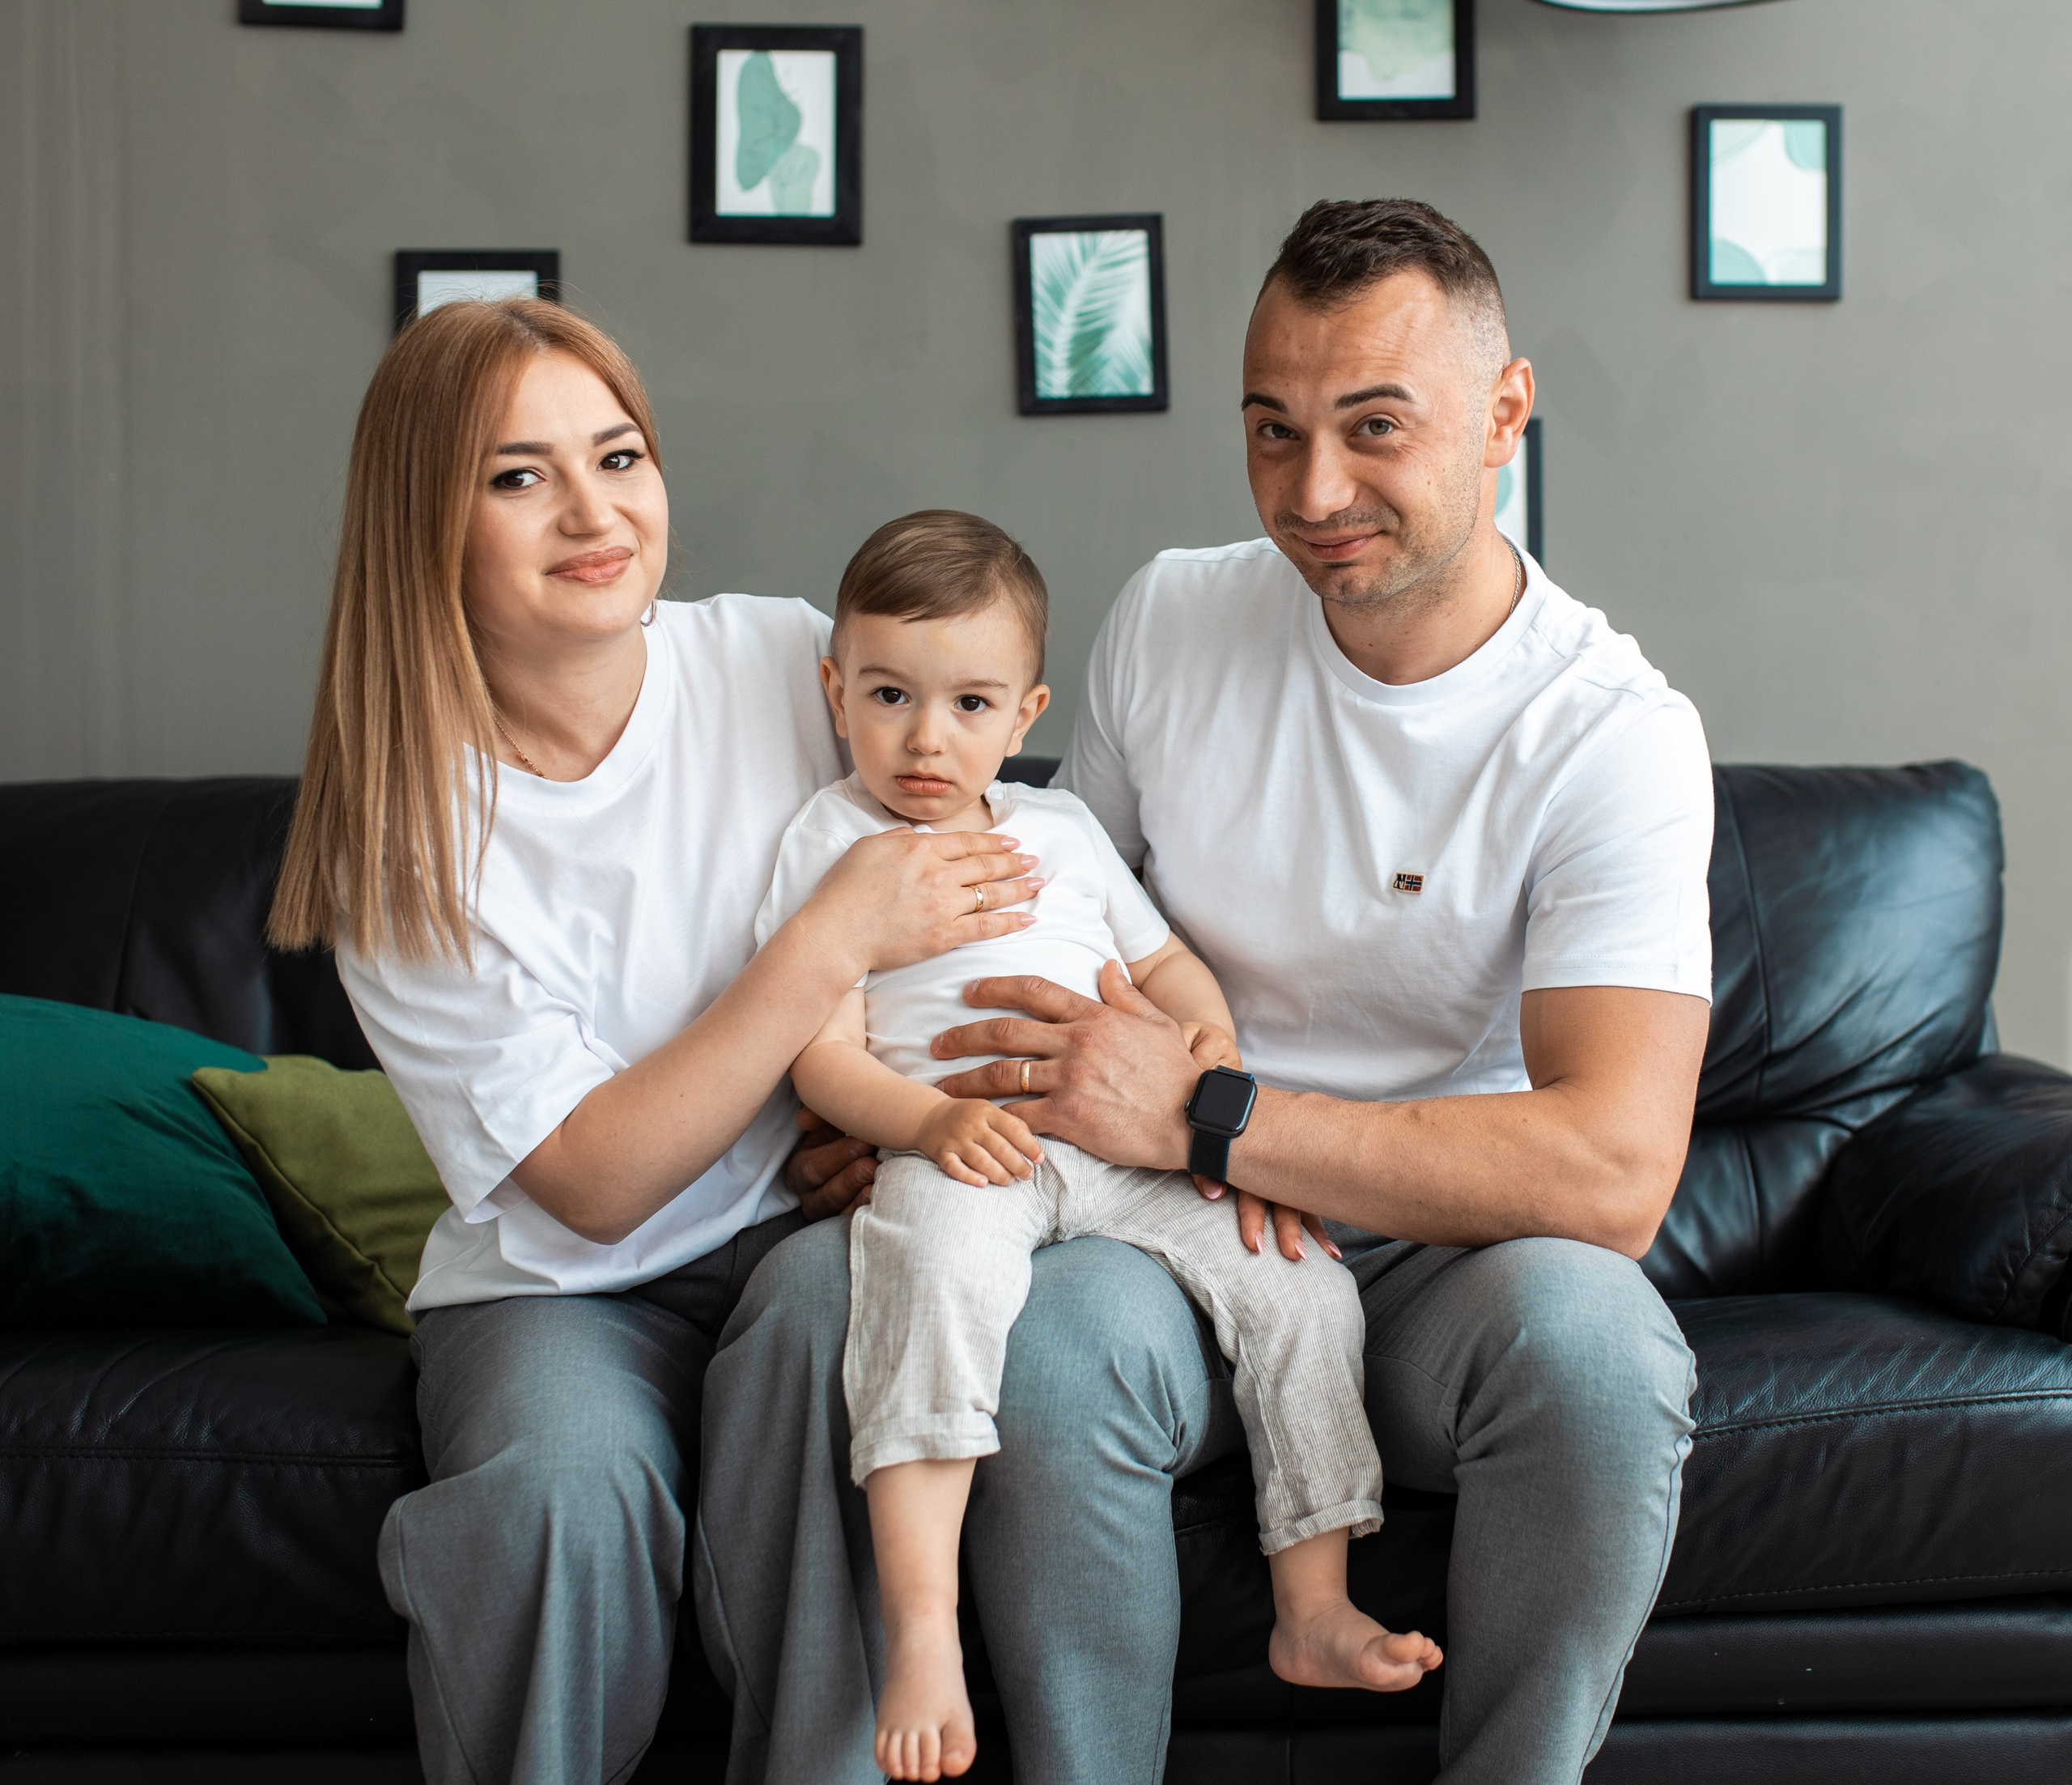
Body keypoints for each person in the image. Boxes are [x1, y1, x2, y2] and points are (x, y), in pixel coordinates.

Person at [697, 198, 1711, 1785]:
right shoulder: (1175, 616)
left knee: (1599, 1343)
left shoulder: (1610, 733)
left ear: (1504, 410)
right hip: (1146, 1215)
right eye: (1270, 429)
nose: (1314, 493)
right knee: (1051, 1343)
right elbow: (1063, 923)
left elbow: (1610, 1172)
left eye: (1373, 429)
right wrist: (903, 1113)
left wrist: (1218, 1111)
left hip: (1441, 1248)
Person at [266, 297, 1046, 1785]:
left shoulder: (783, 662)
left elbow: (971, 844)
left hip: (793, 1231)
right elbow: (594, 1182)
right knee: (560, 1489)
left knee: (846, 1329)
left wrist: (892, 1107)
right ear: (425, 523)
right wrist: (822, 943)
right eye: (518, 476)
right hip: (563, 1290)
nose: (592, 510)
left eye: (618, 455)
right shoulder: (399, 836)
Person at [756, 509, 1441, 1781]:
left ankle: (1314, 1597)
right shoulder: (830, 844)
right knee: (928, 1289)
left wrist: (1211, 1085)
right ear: (832, 688)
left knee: (1302, 1286)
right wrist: (929, 1122)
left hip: (1126, 1150)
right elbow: (820, 1053)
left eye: (968, 702)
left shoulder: (1061, 832)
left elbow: (1170, 966)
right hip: (958, 1149)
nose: (923, 736)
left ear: (1025, 715)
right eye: (889, 694)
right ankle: (919, 1632)